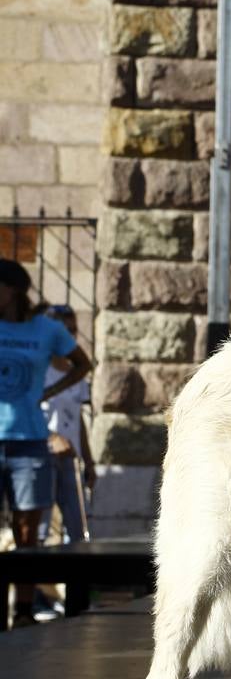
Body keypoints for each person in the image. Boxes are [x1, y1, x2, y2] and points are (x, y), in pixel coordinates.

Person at [0, 261, 91, 627]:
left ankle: (22, 611)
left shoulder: (47, 330)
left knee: (27, 534)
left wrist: (47, 391)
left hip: (29, 441)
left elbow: (82, 364)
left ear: (13, 290)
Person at [38, 304, 96, 546]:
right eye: (64, 330)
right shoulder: (40, 371)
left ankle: (77, 583)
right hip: (43, 453)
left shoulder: (76, 374)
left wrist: (89, 460)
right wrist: (52, 437)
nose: (69, 336)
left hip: (72, 456)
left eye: (73, 331)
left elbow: (79, 418)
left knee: (78, 527)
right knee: (40, 526)